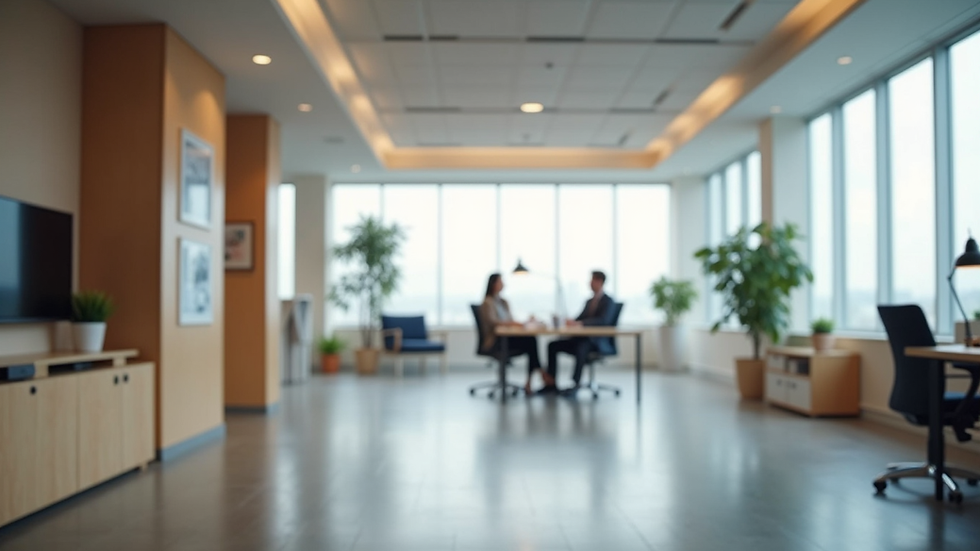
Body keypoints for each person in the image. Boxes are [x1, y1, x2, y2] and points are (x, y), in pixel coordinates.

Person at [480, 273, 554, 394]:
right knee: (531, 342)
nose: (503, 284)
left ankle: (531, 380)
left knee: (531, 340)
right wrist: (512, 324)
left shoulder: (503, 302)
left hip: (507, 338)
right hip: (496, 342)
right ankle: (539, 373)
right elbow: (493, 323)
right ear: (493, 284)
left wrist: (523, 323)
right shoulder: (487, 303)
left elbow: (510, 319)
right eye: (500, 281)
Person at [545, 271, 615, 393]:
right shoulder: (589, 301)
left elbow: (604, 320)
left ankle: (575, 384)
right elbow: (580, 318)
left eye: (592, 280)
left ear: (599, 281)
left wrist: (582, 324)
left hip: (596, 342)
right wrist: (571, 322)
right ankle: (551, 384)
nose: (589, 283)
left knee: (582, 347)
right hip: (581, 338)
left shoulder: (608, 301)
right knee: (553, 345)